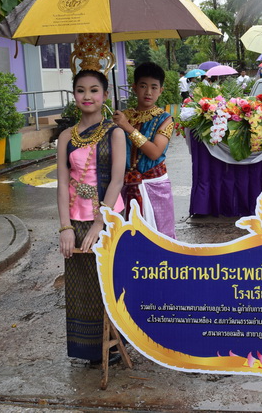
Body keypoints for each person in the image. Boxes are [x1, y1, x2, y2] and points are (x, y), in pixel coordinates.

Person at [57, 69, 125, 364]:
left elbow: (118, 180)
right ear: (74, 95)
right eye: (81, 90)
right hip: (76, 220)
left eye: (94, 90)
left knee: (108, 282)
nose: (87, 96)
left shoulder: (115, 133)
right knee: (81, 285)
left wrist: (100, 222)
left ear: (105, 95)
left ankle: (115, 344)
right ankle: (88, 347)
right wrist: (65, 227)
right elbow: (62, 184)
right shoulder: (65, 137)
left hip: (108, 220)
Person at [112, 62, 176, 238]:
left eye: (154, 87)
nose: (148, 92)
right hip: (125, 185)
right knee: (127, 237)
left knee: (161, 236)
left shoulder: (165, 119)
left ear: (161, 90)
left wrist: (127, 127)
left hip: (154, 185)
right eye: (143, 86)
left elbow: (155, 152)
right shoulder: (123, 116)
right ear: (134, 88)